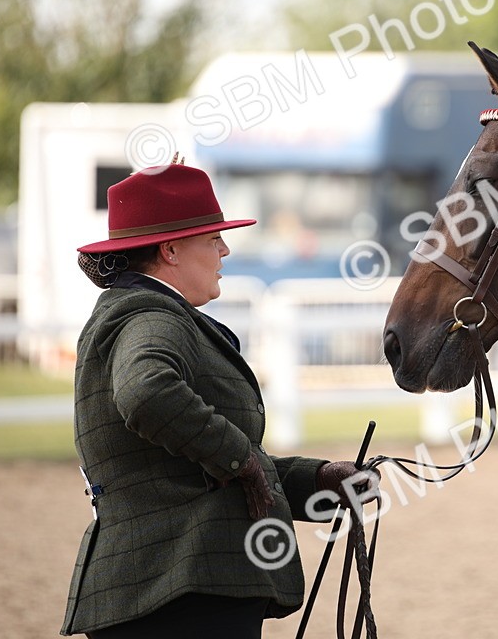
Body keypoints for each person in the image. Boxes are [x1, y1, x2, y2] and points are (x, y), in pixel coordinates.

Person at [60, 160, 372, 638]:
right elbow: (146, 393)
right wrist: (243, 462)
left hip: (169, 584)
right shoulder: (151, 313)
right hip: (178, 585)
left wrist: (320, 478)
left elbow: (200, 470)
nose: (225, 249)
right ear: (170, 250)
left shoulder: (145, 312)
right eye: (212, 239)